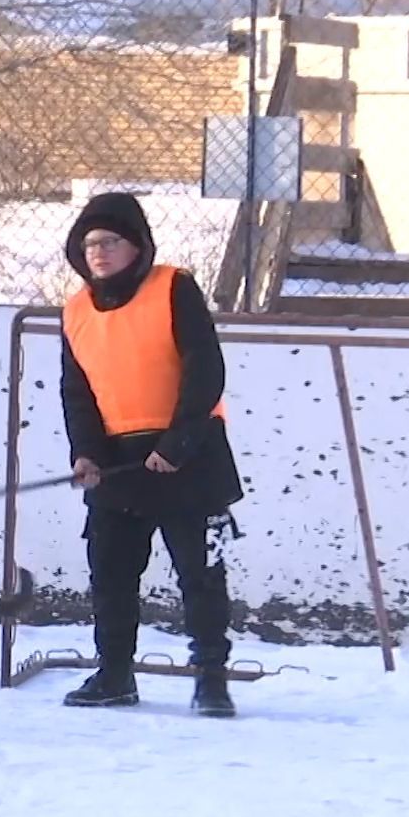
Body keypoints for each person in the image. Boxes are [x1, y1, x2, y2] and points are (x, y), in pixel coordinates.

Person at [58, 192, 243, 717]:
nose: (99, 252)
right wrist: (86, 454)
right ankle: (115, 673)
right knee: (111, 572)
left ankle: (212, 678)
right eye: (89, 243)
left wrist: (177, 443)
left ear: (136, 246)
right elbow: (77, 392)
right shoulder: (74, 312)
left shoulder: (174, 287)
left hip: (189, 458)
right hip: (117, 463)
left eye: (110, 241)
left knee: (200, 576)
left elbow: (204, 368)